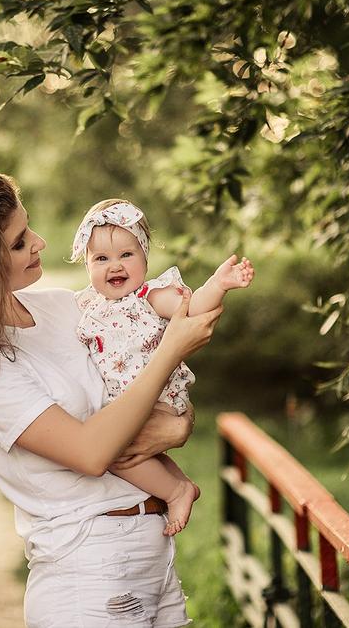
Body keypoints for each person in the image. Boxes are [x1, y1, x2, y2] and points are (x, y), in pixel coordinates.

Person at [0, 172, 222, 627]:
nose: (40, 242)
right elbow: (90, 452)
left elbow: (134, 383)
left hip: (154, 555)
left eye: (28, 228)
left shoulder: (63, 307)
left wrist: (180, 422)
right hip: (89, 570)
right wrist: (173, 352)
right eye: (18, 242)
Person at [71, 199, 254, 536]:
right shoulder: (87, 306)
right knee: (120, 446)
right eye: (101, 258)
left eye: (126, 255)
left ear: (144, 256)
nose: (115, 266)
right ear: (86, 264)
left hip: (159, 398)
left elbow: (194, 307)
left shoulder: (149, 295)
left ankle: (175, 491)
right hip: (126, 404)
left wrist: (218, 284)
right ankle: (179, 482)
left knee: (111, 451)